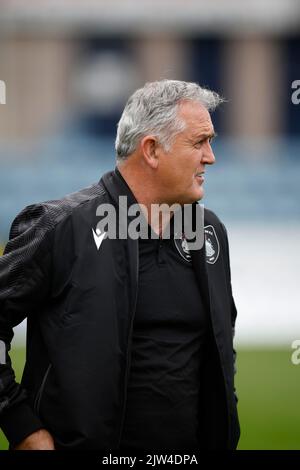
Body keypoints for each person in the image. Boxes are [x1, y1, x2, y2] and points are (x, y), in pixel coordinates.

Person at [0, 79, 240, 450]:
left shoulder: (209, 232)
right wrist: (22, 427)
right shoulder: (60, 226)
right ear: (152, 150)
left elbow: (223, 349)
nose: (210, 156)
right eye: (199, 142)